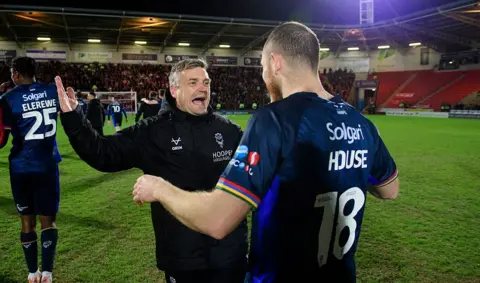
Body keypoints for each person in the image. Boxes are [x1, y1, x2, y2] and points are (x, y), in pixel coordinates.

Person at [132, 21, 400, 283]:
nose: (263, 76)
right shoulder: (360, 123)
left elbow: (218, 219)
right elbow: (390, 189)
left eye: (262, 67)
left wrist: (159, 188)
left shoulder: (274, 120)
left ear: (276, 63)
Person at [55, 58, 248, 283]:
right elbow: (103, 153)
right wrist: (74, 119)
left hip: (230, 256)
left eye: (206, 82)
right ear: (174, 90)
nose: (202, 88)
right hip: (182, 260)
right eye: (193, 82)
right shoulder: (153, 132)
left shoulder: (229, 131)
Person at [0, 56, 61, 283]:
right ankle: (47, 273)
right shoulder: (52, 91)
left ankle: (32, 273)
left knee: (27, 221)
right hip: (47, 165)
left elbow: (1, 139)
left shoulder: (8, 98)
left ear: (15, 73)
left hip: (21, 168)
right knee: (48, 220)